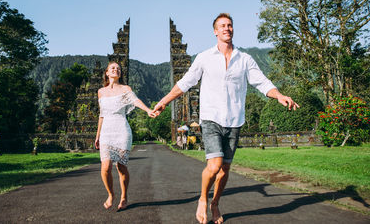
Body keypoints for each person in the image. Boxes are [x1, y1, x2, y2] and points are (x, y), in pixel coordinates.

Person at [153, 13, 299, 224]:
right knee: (214, 165)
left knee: (225, 169)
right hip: (211, 118)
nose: (227, 28)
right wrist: (164, 101)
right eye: (222, 26)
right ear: (215, 31)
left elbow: (263, 83)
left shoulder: (245, 59)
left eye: (229, 25)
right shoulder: (204, 57)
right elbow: (185, 83)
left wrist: (280, 96)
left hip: (234, 120)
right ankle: (203, 199)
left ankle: (215, 203)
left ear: (233, 29)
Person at [95, 61, 156, 211]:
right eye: (113, 68)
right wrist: (97, 136)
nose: (116, 70)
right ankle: (111, 194)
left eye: (118, 69)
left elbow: (136, 101)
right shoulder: (101, 92)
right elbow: (101, 115)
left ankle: (124, 196)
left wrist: (148, 110)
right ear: (107, 73)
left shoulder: (125, 89)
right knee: (105, 167)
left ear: (120, 74)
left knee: (121, 167)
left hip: (121, 130)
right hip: (106, 132)